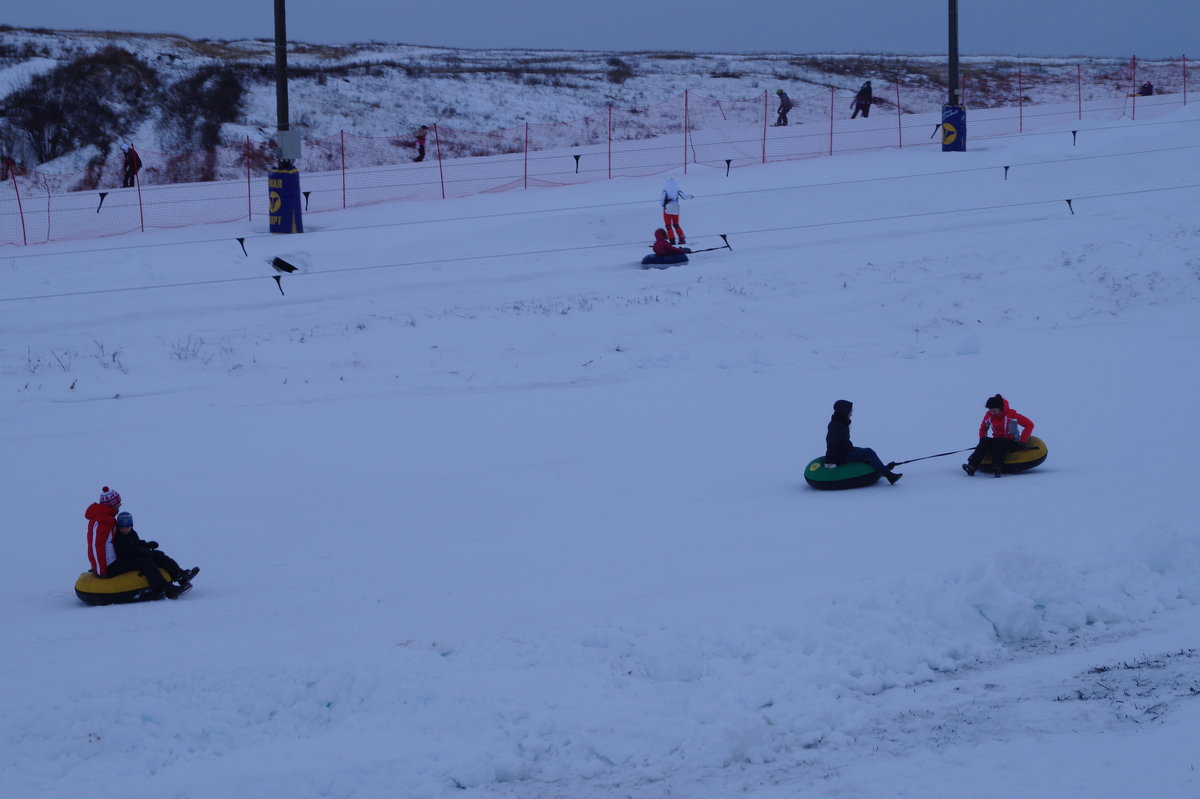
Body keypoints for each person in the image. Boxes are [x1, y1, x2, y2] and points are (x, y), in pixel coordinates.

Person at [108, 510, 198, 600]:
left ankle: (180, 576)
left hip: (134, 555)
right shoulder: (119, 538)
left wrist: (147, 544)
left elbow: (136, 543)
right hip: (125, 560)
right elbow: (128, 552)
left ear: (131, 526)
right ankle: (167, 589)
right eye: (122, 527)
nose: (124, 530)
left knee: (158, 554)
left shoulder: (132, 533)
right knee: (147, 562)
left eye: (127, 527)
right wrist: (144, 551)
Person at [825, 400, 902, 484]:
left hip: (845, 451)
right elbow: (832, 444)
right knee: (868, 452)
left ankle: (883, 469)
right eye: (850, 411)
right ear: (844, 412)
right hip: (840, 457)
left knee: (866, 452)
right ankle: (890, 476)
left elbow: (842, 442)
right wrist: (830, 461)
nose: (851, 414)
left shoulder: (840, 423)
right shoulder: (838, 426)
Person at [963, 394, 1035, 477]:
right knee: (985, 440)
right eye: (990, 410)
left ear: (1001, 408)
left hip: (1012, 441)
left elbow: (1029, 424)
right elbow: (983, 428)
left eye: (994, 411)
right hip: (997, 441)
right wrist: (982, 440)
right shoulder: (989, 415)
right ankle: (971, 467)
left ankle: (997, 467)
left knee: (999, 441)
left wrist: (1023, 440)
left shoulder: (1012, 415)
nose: (992, 413)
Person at [660, 177, 693, 246]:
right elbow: (684, 196)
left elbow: (662, 201)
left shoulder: (665, 190)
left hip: (667, 208)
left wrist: (663, 205)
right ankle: (682, 239)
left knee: (668, 226)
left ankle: (672, 241)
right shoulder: (677, 189)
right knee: (676, 224)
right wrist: (690, 196)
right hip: (675, 208)